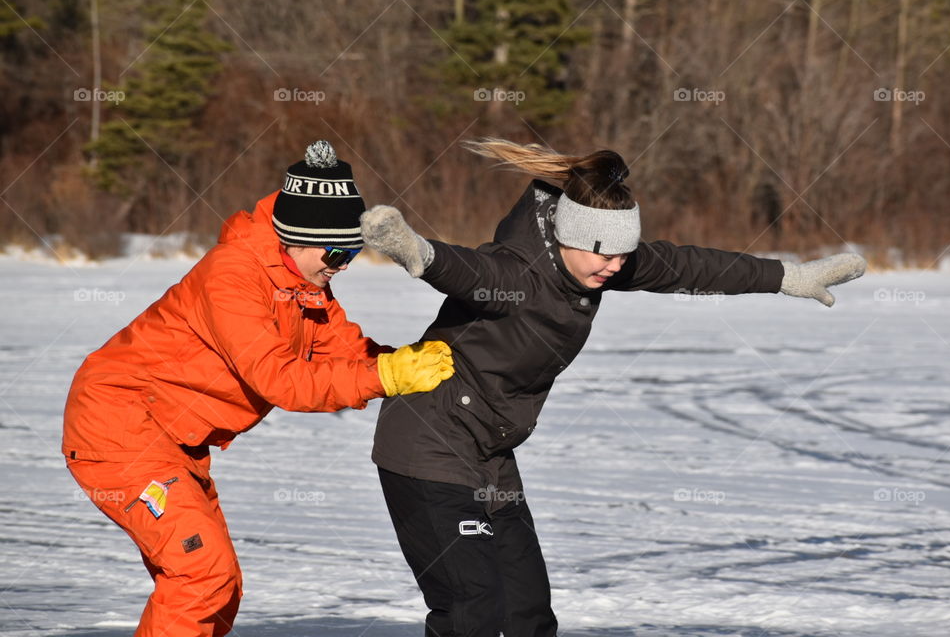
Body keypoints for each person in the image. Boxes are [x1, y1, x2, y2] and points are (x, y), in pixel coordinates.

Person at [359, 138, 866, 637]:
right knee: (472, 609)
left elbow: (689, 266)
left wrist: (787, 277)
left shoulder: (597, 264)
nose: (616, 266)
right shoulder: (518, 274)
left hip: (490, 452)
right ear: (567, 236)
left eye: (623, 256)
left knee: (527, 611)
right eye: (604, 256)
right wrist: (416, 250)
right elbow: (467, 270)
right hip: (427, 445)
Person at [62, 140, 455, 637]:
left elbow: (342, 346)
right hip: (118, 428)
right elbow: (281, 379)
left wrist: (402, 362)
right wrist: (387, 378)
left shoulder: (303, 278)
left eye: (353, 250)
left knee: (219, 589)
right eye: (337, 251)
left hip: (172, 439)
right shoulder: (232, 275)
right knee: (201, 575)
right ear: (295, 236)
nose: (345, 263)